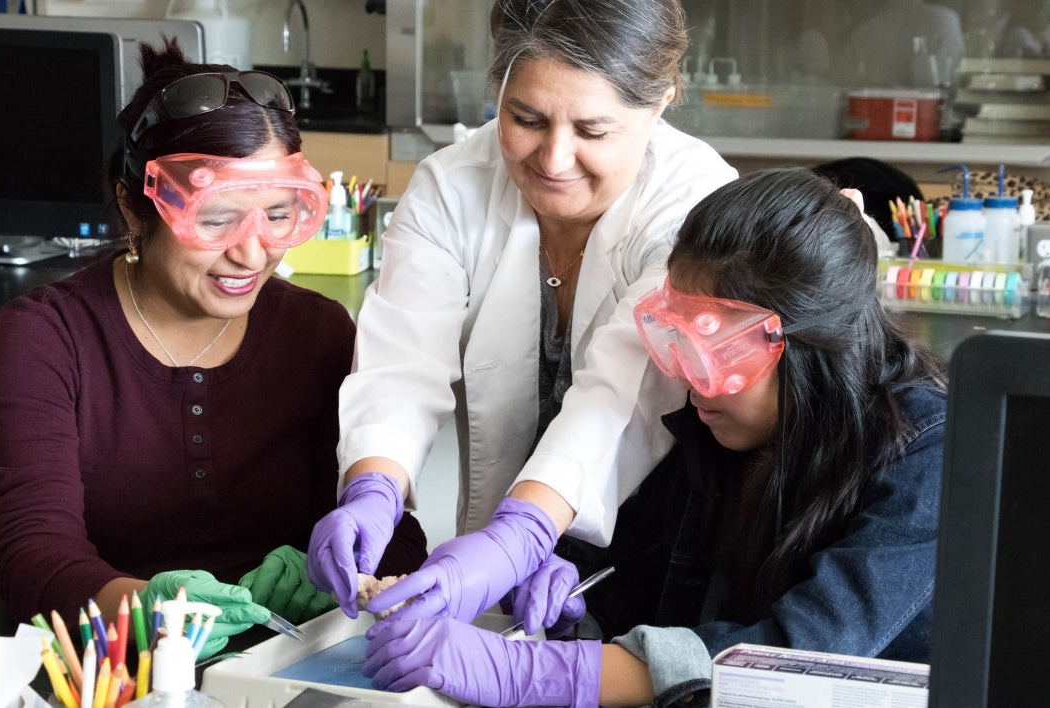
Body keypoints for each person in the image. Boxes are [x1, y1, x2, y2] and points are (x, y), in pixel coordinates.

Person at [360, 167, 948, 708]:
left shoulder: (928, 454)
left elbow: (796, 658)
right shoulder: (713, 427)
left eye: (710, 356)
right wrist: (572, 588)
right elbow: (636, 575)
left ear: (808, 345)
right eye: (672, 342)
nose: (686, 382)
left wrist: (533, 672)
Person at [306, 0, 738, 631]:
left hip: (657, 544)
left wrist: (522, 535)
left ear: (665, 97)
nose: (554, 159)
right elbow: (401, 362)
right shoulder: (452, 186)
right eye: (525, 118)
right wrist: (374, 488)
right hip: (495, 550)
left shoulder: (697, 207)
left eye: (592, 131)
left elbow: (624, 391)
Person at [0, 39, 426, 657]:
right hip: (116, 672)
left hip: (285, 662)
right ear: (135, 207)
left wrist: (346, 572)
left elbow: (398, 533)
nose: (253, 253)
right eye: (217, 219)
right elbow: (27, 551)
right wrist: (142, 608)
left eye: (279, 214)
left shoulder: (318, 332)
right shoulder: (44, 337)